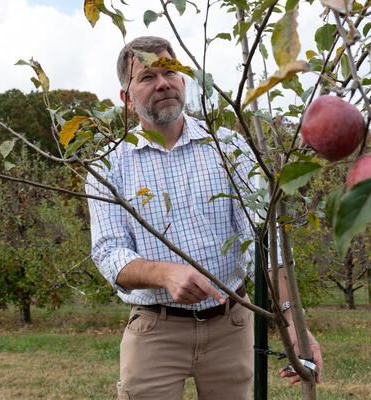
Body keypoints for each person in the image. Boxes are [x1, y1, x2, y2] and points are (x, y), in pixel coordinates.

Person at [86, 36, 322, 400]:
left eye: (171, 72)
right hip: (156, 329)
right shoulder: (108, 165)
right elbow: (108, 252)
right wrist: (165, 274)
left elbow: (264, 239)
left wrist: (293, 322)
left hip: (232, 324)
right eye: (148, 77)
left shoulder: (227, 147)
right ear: (127, 100)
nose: (163, 82)